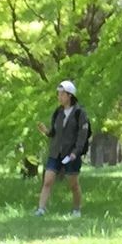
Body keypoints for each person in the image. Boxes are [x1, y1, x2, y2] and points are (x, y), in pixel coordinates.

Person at [35, 79, 89, 217]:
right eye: (58, 94)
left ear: (69, 95)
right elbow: (54, 133)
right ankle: (41, 209)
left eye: (61, 94)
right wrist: (45, 131)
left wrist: (75, 152)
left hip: (71, 154)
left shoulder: (80, 113)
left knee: (73, 184)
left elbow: (82, 136)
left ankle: (76, 209)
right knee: (47, 181)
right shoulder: (57, 112)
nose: (59, 97)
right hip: (55, 153)